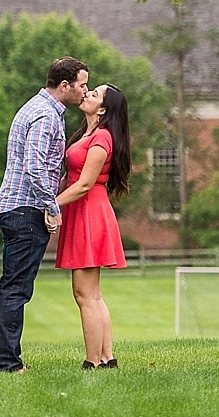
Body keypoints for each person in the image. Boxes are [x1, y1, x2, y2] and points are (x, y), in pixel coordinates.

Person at [0, 56, 89, 373]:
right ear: (65, 85)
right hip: (26, 211)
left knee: (13, 287)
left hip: (15, 208)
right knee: (16, 289)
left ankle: (7, 359)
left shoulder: (37, 108)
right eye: (82, 85)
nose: (84, 91)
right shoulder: (46, 116)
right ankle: (6, 364)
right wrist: (52, 206)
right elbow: (35, 167)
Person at [55, 83, 131, 369]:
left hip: (89, 212)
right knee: (93, 294)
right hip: (84, 211)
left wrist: (52, 206)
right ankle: (107, 357)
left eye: (95, 94)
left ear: (102, 109)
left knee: (84, 294)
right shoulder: (88, 134)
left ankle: (92, 362)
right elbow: (73, 178)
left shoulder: (101, 138)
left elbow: (85, 184)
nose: (87, 94)